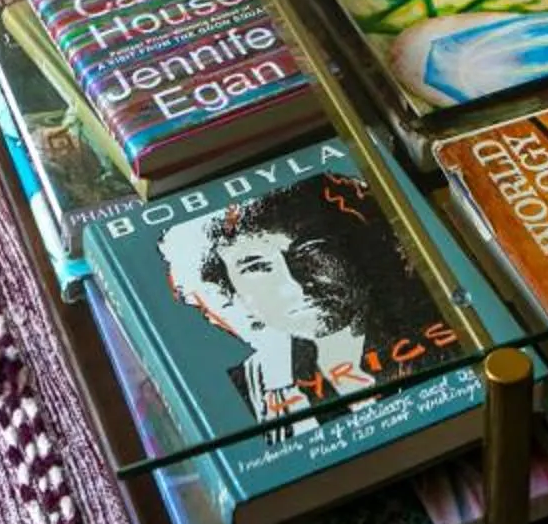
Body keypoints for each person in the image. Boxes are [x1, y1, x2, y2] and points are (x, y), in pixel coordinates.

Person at [168, 174, 446, 435]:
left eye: (312, 250)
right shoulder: (253, 388)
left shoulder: (443, 317)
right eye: (257, 267)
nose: (294, 284)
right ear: (227, 288)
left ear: (358, 245)